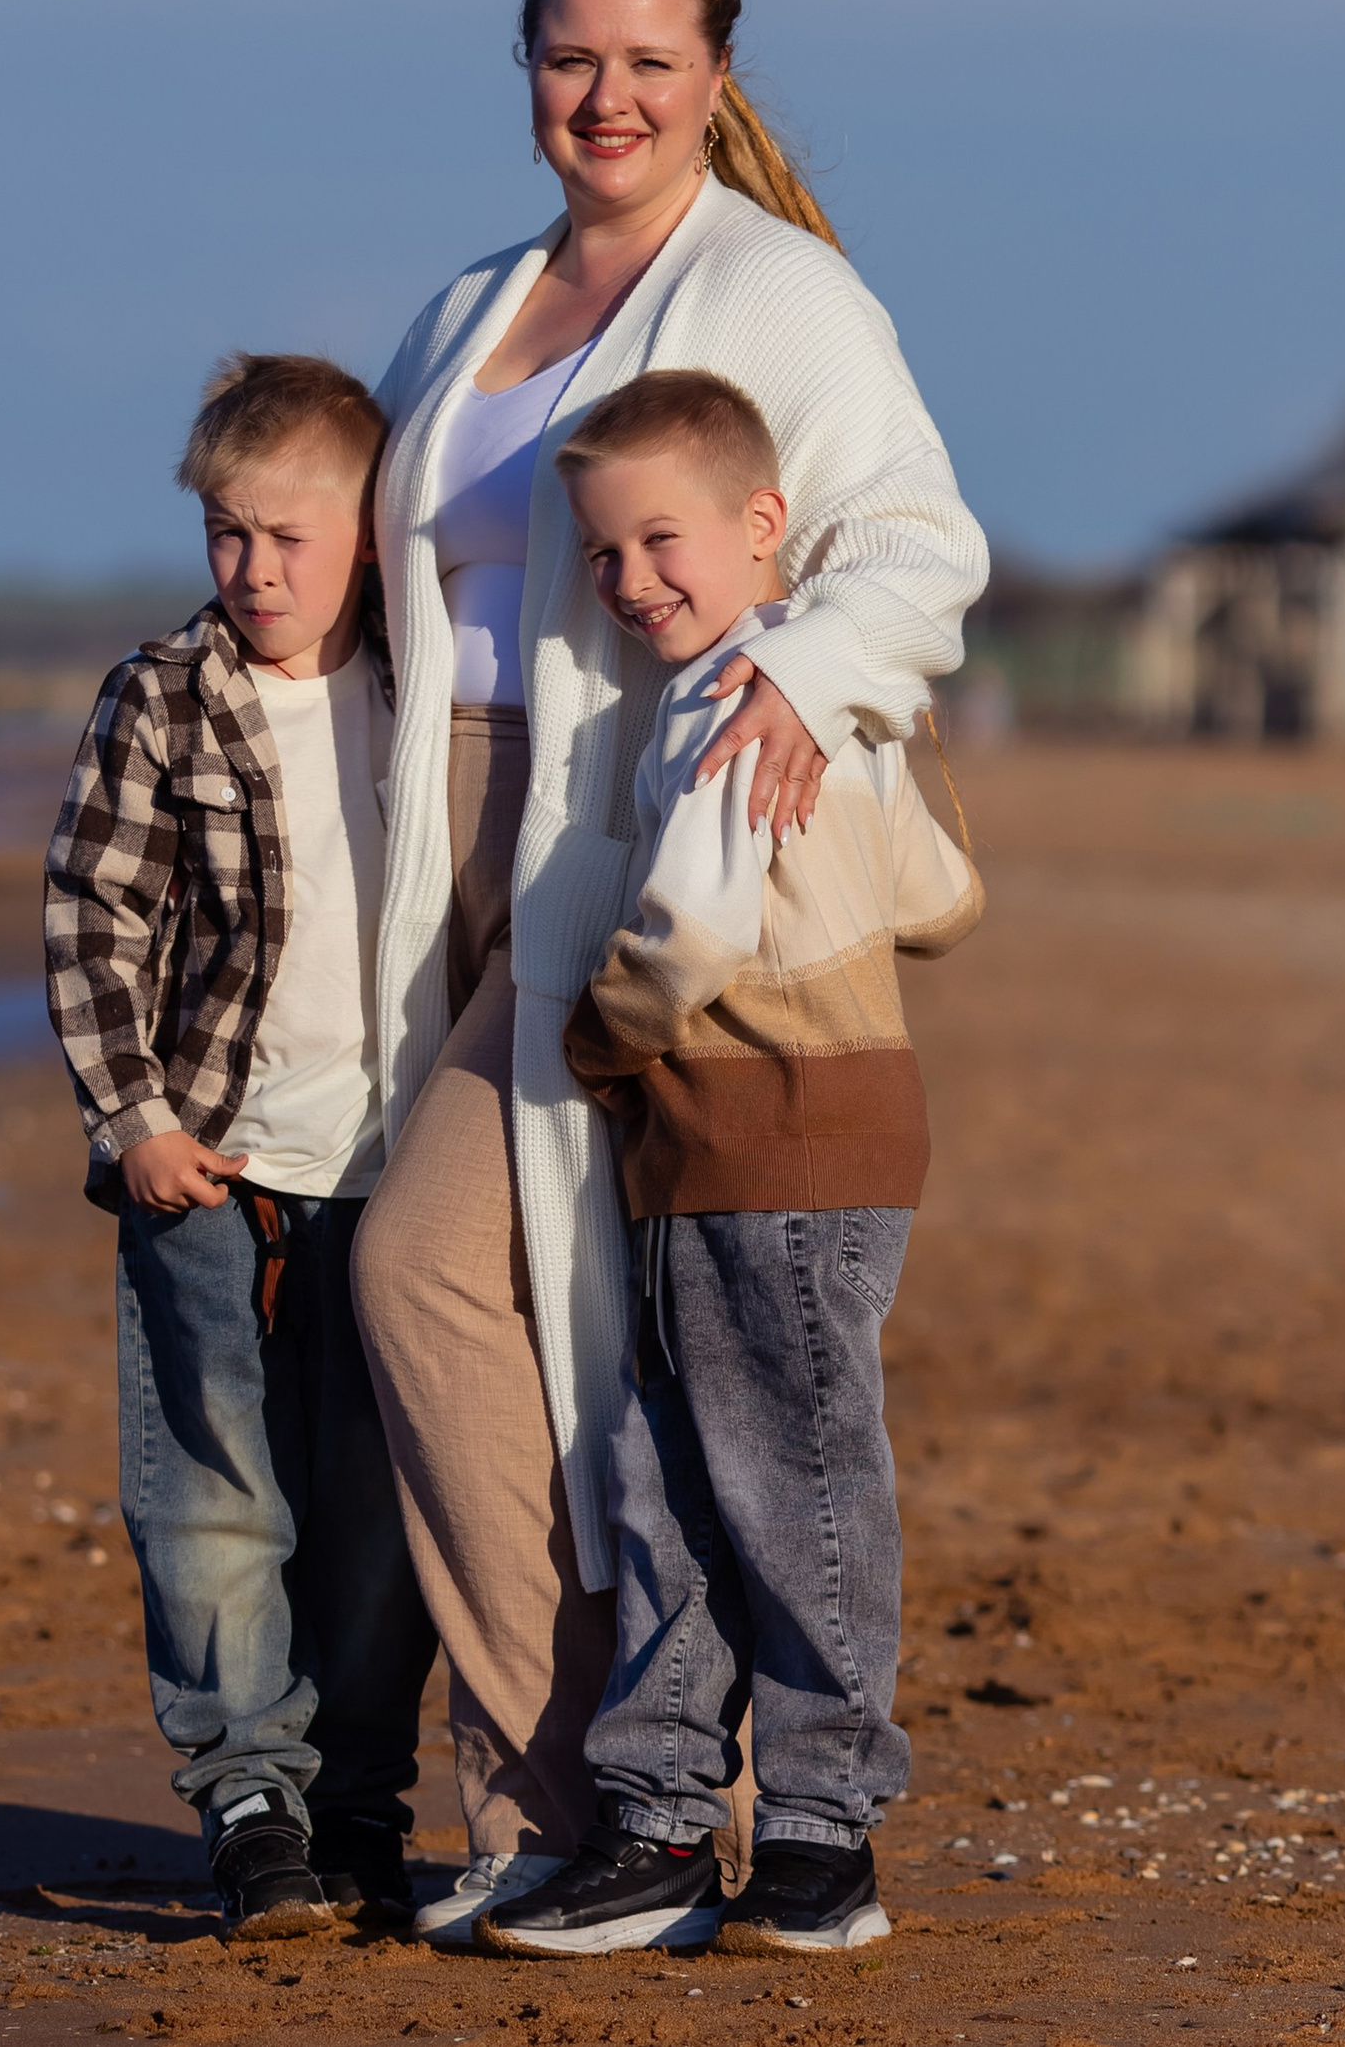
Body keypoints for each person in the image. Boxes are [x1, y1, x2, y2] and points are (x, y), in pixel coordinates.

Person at [351, 0, 989, 1944]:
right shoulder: (468, 308)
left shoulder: (778, 292)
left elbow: (909, 540)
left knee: (435, 1278)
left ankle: (579, 1801)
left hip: (606, 850)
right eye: (566, 56)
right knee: (562, 1344)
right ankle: (567, 1807)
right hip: (414, 844)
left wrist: (797, 683)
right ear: (522, 67)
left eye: (644, 59)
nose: (601, 96)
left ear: (712, 73)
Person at [475, 370, 979, 1959]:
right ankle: (663, 1815)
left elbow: (684, 932)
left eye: (662, 541)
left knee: (791, 1484)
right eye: (606, 556)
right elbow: (947, 899)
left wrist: (598, 1043)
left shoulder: (728, 706)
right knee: (675, 1478)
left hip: (774, 1131)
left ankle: (823, 1836)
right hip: (771, 1141)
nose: (632, 583)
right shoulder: (828, 698)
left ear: (768, 529)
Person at [43, 354, 435, 1942]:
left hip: (399, 1171)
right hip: (206, 1168)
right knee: (209, 1493)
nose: (255, 570)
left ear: (369, 528)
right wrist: (133, 1118)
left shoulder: (434, 689)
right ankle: (251, 1800)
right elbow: (94, 913)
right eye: (226, 534)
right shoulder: (164, 697)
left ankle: (359, 1802)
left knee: (376, 1508)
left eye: (290, 535)